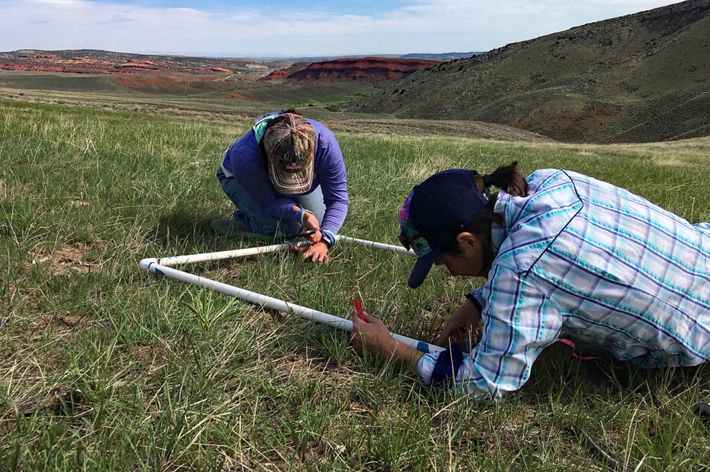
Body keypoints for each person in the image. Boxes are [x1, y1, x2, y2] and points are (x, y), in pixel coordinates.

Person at [351, 162, 709, 399]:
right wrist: (477, 303)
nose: (448, 273)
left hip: (700, 332)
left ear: (468, 242)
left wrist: (392, 351)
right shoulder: (551, 181)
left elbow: (486, 383)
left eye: (443, 262)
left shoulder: (521, 271)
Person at [213, 110, 348, 263]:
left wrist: (324, 239)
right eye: (285, 174)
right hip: (237, 177)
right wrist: (301, 215)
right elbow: (271, 203)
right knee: (288, 229)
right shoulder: (245, 156)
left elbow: (338, 200)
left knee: (323, 221)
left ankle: (262, 217)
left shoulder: (325, 144)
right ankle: (243, 222)